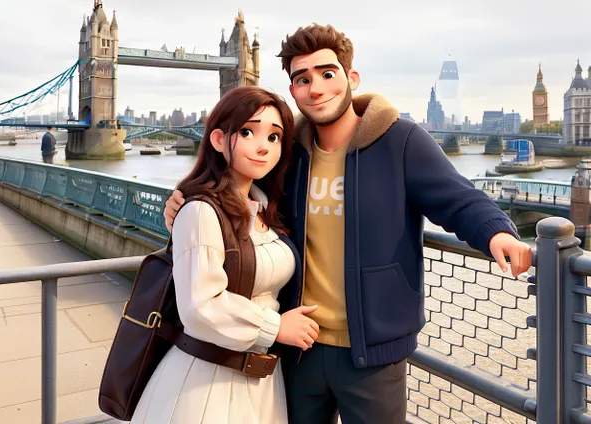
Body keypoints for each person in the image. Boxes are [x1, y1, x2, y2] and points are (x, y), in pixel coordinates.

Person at [164, 25, 533, 424]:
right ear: (294, 92)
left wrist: (496, 230)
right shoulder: (290, 154)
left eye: (327, 74)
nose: (316, 88)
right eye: (302, 79)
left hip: (372, 353)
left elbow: (457, 198)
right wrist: (186, 201)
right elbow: (240, 192)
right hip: (297, 345)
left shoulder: (400, 140)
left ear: (351, 79)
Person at [131, 86, 318, 424]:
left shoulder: (267, 210)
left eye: (275, 137)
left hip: (260, 382)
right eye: (247, 132)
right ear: (218, 139)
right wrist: (277, 327)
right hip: (206, 385)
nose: (263, 146)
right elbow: (200, 307)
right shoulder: (200, 211)